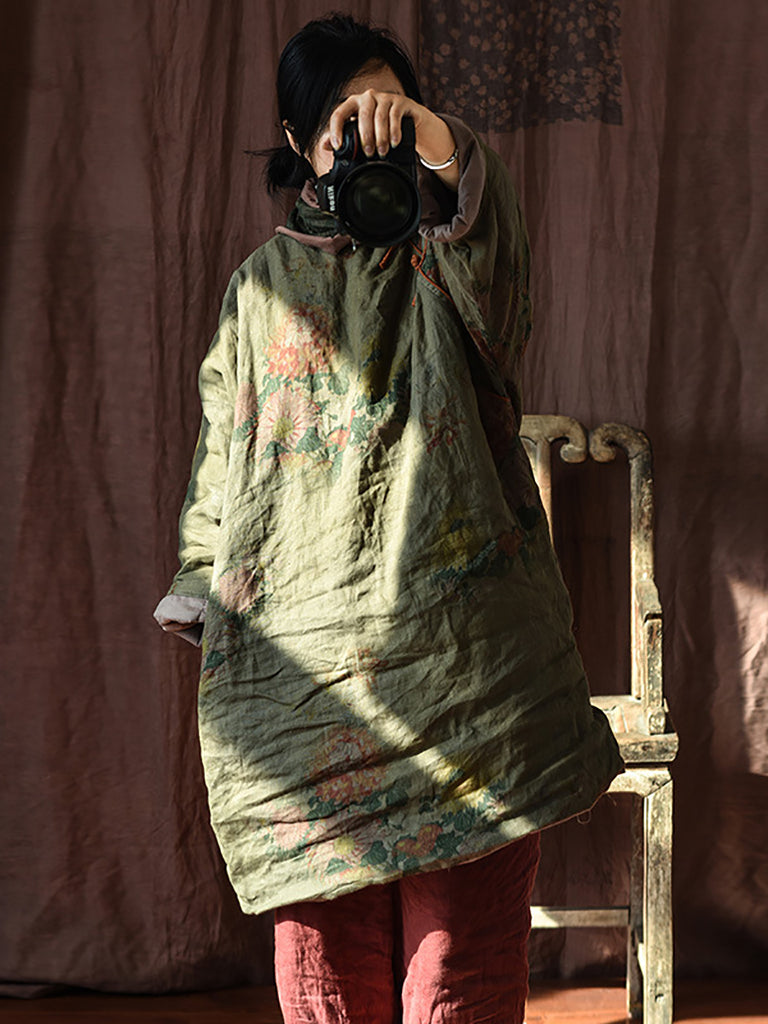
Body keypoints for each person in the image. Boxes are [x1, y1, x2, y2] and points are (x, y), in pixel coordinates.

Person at [154, 14, 623, 1024]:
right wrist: (197, 581)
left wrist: (432, 142)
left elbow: (491, 254)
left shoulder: (449, 259)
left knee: (462, 970)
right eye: (340, 119)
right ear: (297, 141)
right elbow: (222, 453)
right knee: (325, 975)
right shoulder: (258, 288)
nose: (364, 136)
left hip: (465, 678)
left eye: (388, 113)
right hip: (303, 688)